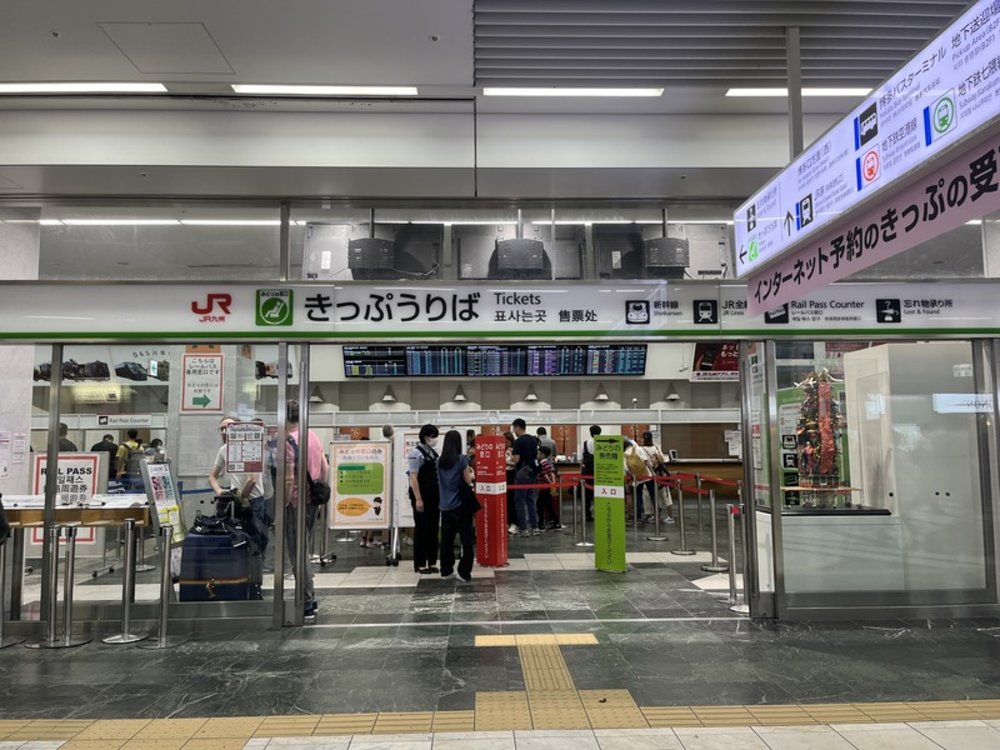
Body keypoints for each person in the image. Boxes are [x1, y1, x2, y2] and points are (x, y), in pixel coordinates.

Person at [284, 399, 328, 618]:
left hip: (295, 503)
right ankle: (310, 598)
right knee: (306, 550)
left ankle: (307, 601)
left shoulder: (289, 441)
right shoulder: (312, 435)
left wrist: (283, 503)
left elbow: (289, 479)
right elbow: (325, 468)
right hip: (312, 502)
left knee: (297, 553)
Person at [209, 416, 270, 557]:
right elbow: (212, 476)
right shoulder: (224, 450)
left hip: (253, 501)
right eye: (222, 428)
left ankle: (255, 573)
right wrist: (219, 491)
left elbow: (252, 480)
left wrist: (240, 498)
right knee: (238, 540)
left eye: (229, 427)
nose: (224, 432)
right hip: (236, 501)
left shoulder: (250, 446)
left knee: (255, 540)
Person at [437, 429, 476, 582]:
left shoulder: (439, 461)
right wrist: (472, 475)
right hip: (460, 506)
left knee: (447, 541)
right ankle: (464, 572)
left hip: (445, 506)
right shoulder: (461, 459)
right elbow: (467, 480)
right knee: (466, 541)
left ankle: (446, 571)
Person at [407, 423, 440, 574]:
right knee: (421, 529)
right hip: (422, 495)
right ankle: (420, 563)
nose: (435, 439)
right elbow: (413, 477)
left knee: (433, 528)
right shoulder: (416, 453)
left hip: (434, 496)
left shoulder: (433, 452)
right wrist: (418, 499)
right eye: (433, 436)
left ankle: (432, 561)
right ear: (426, 437)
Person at [510, 418, 540, 537]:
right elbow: (537, 455)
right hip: (532, 472)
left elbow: (516, 459)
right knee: (531, 500)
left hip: (522, 473)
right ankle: (535, 527)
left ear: (518, 427)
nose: (514, 431)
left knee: (520, 501)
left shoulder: (519, 441)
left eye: (514, 428)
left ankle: (523, 528)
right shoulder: (533, 439)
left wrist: (509, 458)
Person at [536, 444, 561, 531]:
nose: (537, 455)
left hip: (544, 488)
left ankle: (542, 524)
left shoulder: (543, 464)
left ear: (542, 454)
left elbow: (545, 475)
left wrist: (550, 484)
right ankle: (555, 522)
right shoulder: (547, 463)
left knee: (541, 506)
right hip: (545, 488)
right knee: (547, 506)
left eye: (538, 453)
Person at [582, 425, 601, 521]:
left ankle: (587, 514)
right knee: (601, 493)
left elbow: (583, 458)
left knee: (587, 495)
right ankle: (601, 512)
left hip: (588, 472)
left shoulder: (586, 443)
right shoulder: (604, 443)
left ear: (590, 433)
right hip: (601, 471)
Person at [504, 431, 518, 535]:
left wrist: (506, 462)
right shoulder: (502, 451)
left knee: (511, 500)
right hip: (503, 475)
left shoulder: (513, 450)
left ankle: (514, 523)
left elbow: (515, 463)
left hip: (511, 475)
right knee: (506, 501)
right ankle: (507, 522)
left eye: (506, 441)